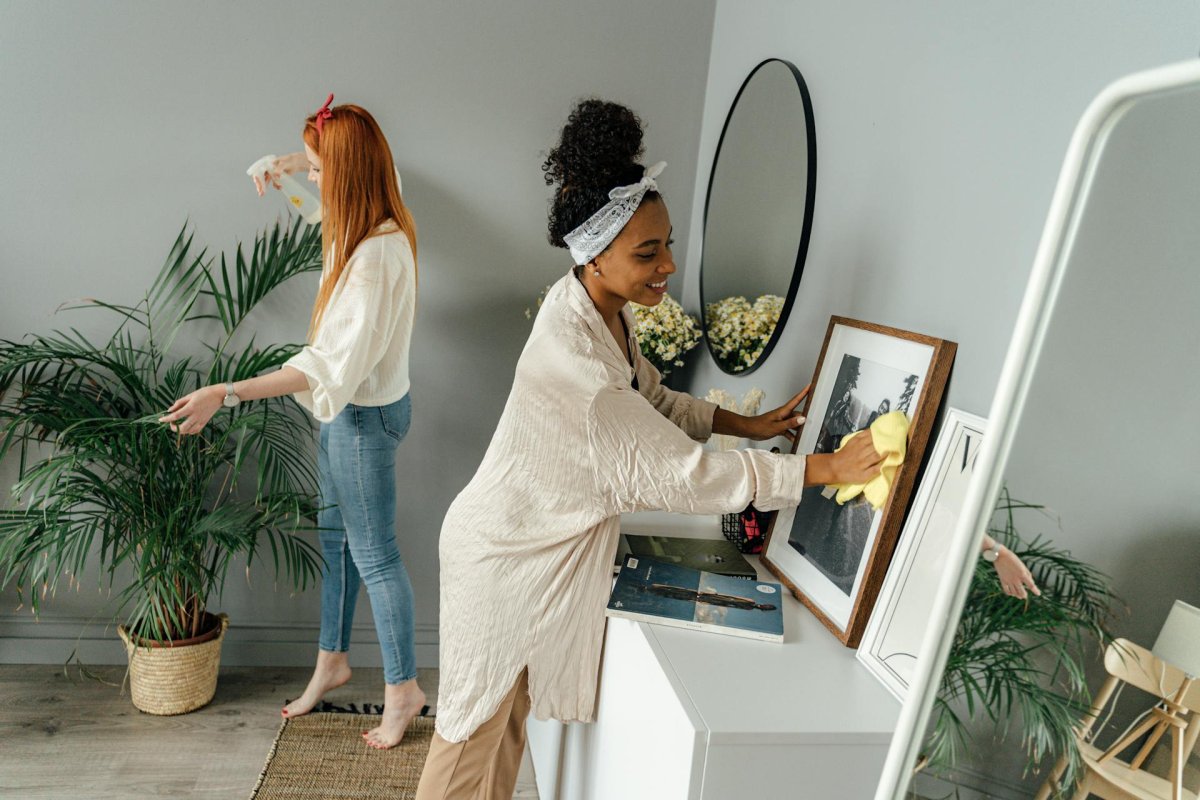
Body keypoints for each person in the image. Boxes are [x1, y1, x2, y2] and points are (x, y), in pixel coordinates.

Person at [414, 99, 887, 800]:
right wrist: (823, 469)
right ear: (594, 255)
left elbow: (653, 401)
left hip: (521, 542)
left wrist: (748, 425)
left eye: (667, 243)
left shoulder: (594, 309)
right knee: (468, 740)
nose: (668, 264)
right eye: (647, 253)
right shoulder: (581, 370)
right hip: (504, 561)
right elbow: (684, 476)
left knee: (504, 731)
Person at [159, 95, 427, 750]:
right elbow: (332, 202)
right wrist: (286, 164)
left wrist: (226, 392)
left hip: (363, 420)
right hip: (349, 413)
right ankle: (332, 661)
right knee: (336, 540)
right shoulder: (366, 216)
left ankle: (403, 690)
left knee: (375, 556)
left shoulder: (374, 259)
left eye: (316, 168)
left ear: (347, 174)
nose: (310, 178)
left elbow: (323, 367)